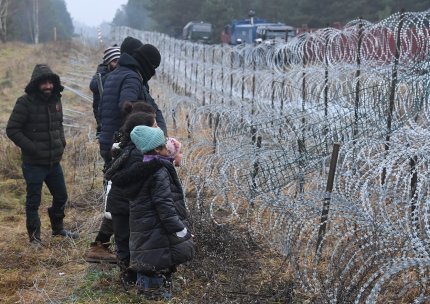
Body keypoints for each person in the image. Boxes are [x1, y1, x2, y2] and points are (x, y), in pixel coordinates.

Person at [110, 126, 194, 300]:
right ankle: (157, 296)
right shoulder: (159, 171)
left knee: (148, 260)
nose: (167, 146)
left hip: (143, 227)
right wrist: (177, 227)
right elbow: (164, 204)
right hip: (157, 227)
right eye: (163, 145)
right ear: (157, 149)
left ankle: (146, 293)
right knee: (158, 261)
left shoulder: (140, 169)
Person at [84, 38, 147, 264]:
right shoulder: (128, 78)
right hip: (120, 144)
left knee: (118, 194)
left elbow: (102, 112)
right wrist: (134, 137)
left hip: (111, 142)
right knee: (120, 197)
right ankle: (107, 247)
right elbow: (126, 108)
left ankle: (110, 246)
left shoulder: (112, 77)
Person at [6, 64, 79, 249]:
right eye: (44, 83)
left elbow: (59, 124)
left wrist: (62, 142)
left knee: (61, 196)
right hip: (33, 163)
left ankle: (58, 229)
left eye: (50, 82)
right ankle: (35, 239)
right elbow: (12, 129)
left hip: (53, 162)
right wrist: (32, 147)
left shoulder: (56, 100)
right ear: (36, 84)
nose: (48, 86)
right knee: (33, 202)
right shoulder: (24, 103)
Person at [102, 102, 158, 287]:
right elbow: (132, 181)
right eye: (154, 126)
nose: (158, 128)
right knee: (127, 242)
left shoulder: (127, 151)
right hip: (124, 205)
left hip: (122, 205)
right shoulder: (137, 156)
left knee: (125, 241)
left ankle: (129, 277)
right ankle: (129, 278)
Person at [98, 41, 167, 166]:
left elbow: (101, 108)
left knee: (113, 182)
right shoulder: (132, 78)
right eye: (153, 67)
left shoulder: (114, 75)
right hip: (120, 146)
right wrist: (153, 132)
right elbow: (127, 108)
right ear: (147, 64)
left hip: (107, 141)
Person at [89, 44, 121, 138]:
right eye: (114, 61)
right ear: (108, 62)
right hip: (103, 119)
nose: (117, 64)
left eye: (120, 61)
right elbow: (93, 86)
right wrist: (113, 75)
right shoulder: (101, 72)